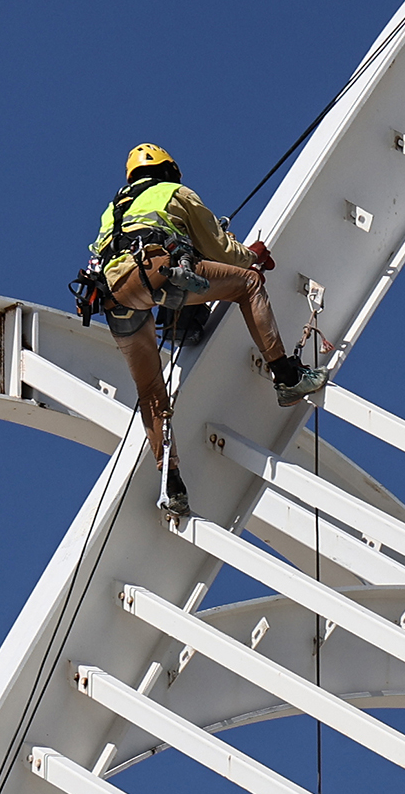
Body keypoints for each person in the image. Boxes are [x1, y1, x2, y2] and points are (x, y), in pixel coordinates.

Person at [81, 144, 326, 517]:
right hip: (158, 273)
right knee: (248, 284)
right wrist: (252, 255)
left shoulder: (113, 211)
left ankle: (172, 482)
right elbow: (222, 250)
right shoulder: (177, 194)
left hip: (116, 297)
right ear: (169, 170)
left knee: (150, 391)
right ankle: (287, 376)